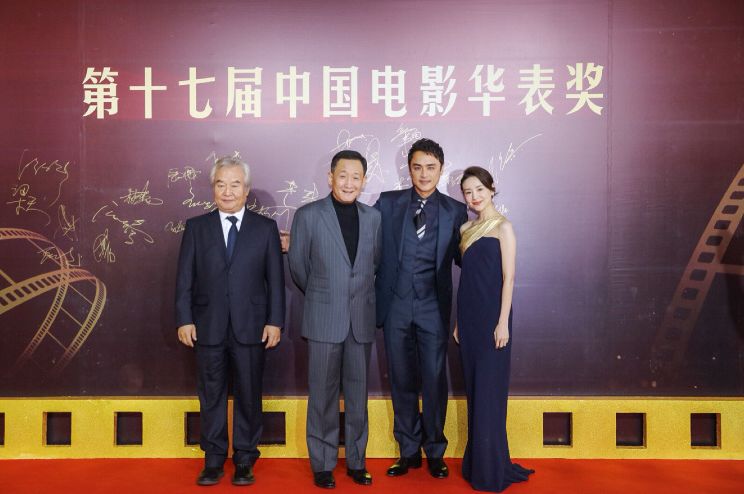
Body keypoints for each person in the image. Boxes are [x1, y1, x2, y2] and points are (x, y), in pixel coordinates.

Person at [175, 156, 285, 486]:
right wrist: (184, 319)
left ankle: (245, 459)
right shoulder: (197, 227)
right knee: (211, 394)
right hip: (207, 326)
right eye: (221, 184)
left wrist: (275, 321)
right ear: (213, 189)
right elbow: (184, 279)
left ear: (246, 189)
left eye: (235, 184)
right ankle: (213, 460)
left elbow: (275, 281)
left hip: (252, 326)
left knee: (249, 394)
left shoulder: (264, 228)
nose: (228, 191)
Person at [374, 138, 468, 478]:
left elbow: (467, 259)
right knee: (400, 379)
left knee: (434, 379)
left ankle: (435, 451)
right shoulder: (387, 203)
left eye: (431, 167)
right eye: (417, 167)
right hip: (395, 305)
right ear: (409, 169)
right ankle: (408, 451)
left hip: (433, 307)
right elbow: (364, 242)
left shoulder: (455, 211)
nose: (424, 174)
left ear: (441, 169)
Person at [288, 150, 381, 489]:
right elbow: (299, 268)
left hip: (361, 320)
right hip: (324, 318)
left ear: (364, 181)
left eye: (356, 177)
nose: (349, 183)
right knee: (322, 396)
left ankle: (357, 461)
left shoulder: (374, 218)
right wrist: (326, 295)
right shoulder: (309, 216)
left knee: (357, 396)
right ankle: (323, 464)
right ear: (330, 177)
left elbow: (374, 265)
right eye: (343, 175)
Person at [455, 166, 534, 492]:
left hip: (493, 320)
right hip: (469, 321)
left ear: (491, 188)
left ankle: (491, 469)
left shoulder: (504, 227)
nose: (474, 196)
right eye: (468, 192)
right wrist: (459, 322)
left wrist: (502, 322)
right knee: (475, 391)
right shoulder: (465, 229)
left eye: (479, 189)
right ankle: (478, 463)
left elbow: (508, 278)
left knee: (489, 393)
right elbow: (468, 280)